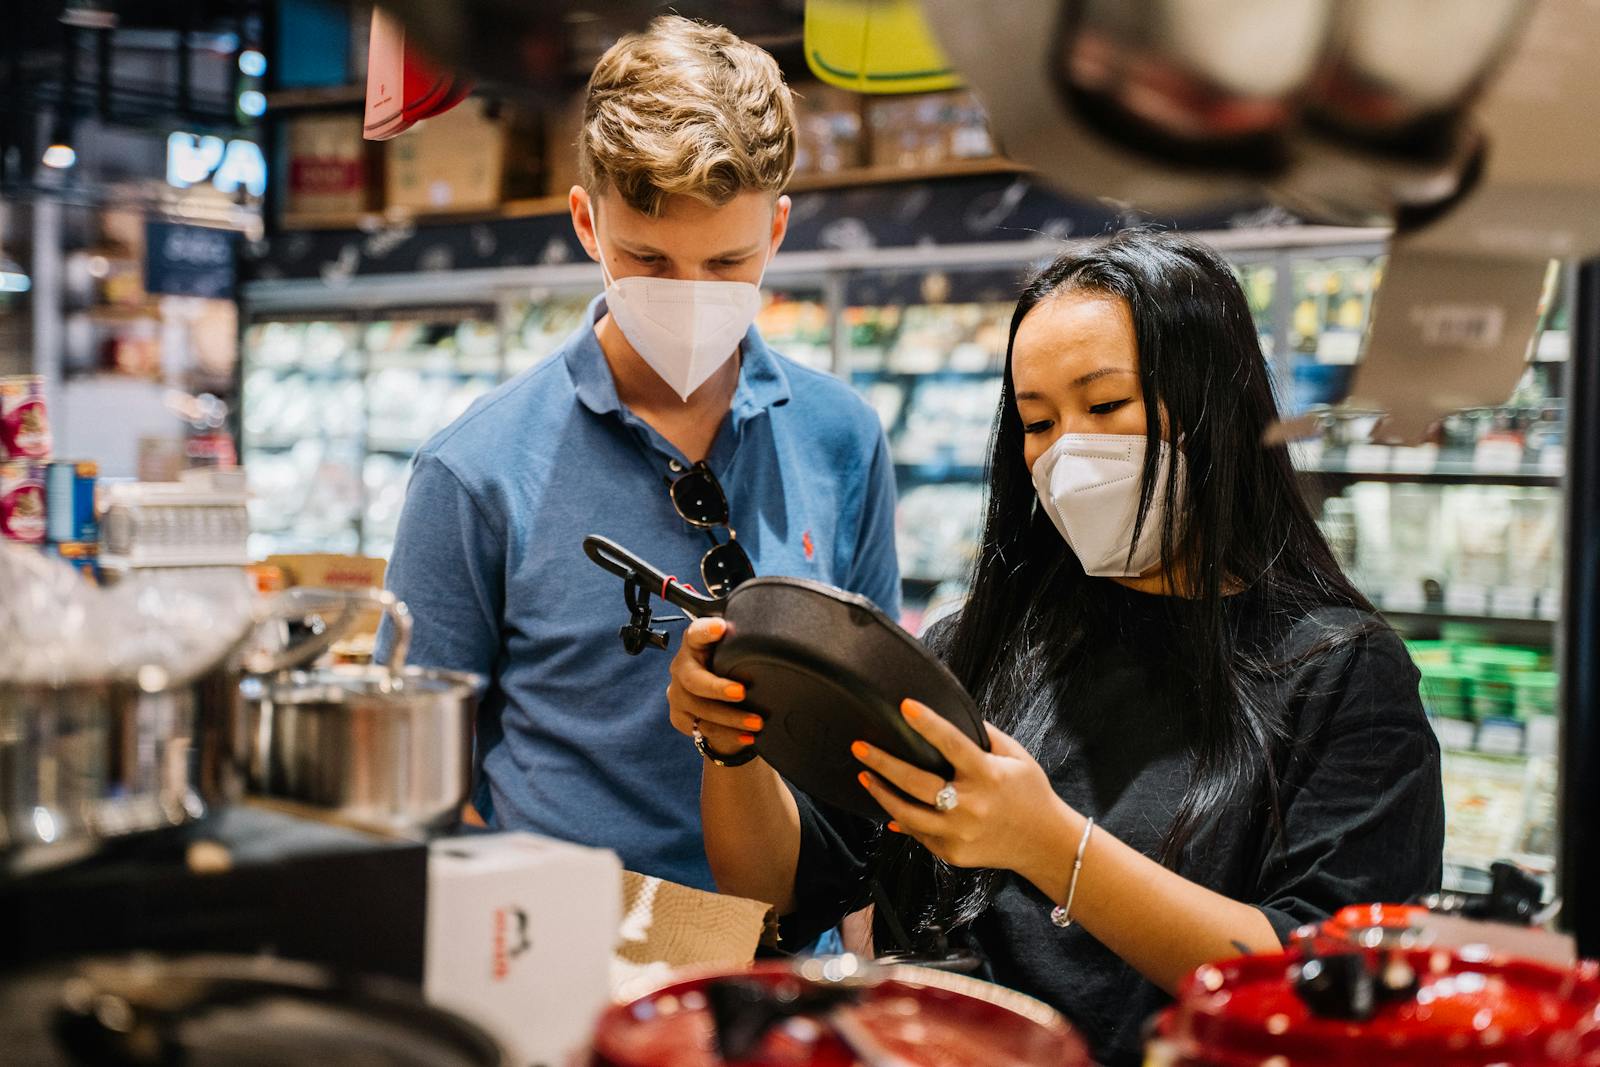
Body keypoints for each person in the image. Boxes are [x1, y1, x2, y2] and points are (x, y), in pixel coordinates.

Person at [668, 229, 1444, 1065]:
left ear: (1212, 404)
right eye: (1038, 421)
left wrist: (1048, 843)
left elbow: (1326, 990)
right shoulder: (980, 643)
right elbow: (780, 885)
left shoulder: (1341, 675)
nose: (1067, 450)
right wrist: (730, 738)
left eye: (1105, 406)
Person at [380, 16, 899, 892]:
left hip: (787, 955)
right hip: (567, 949)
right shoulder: (473, 470)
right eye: (649, 258)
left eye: (727, 261)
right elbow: (418, 778)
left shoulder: (843, 436)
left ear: (776, 233)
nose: (690, 297)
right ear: (588, 223)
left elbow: (870, 731)